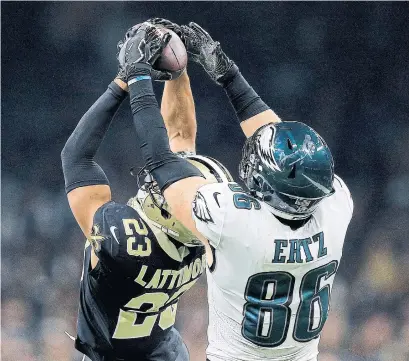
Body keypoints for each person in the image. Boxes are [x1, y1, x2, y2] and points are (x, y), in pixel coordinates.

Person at [118, 21, 353, 361]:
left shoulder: (234, 222)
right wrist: (228, 75)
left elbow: (163, 161)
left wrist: (138, 76)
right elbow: (281, 144)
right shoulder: (334, 205)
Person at [60, 24, 232, 361]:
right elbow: (180, 137)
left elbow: (76, 158)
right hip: (165, 350)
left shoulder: (120, 236)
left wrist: (124, 80)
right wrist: (177, 74)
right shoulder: (210, 235)